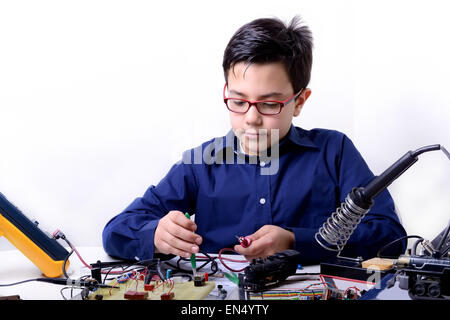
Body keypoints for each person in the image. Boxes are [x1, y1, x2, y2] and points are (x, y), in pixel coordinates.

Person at [102, 16, 407, 264]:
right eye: (238, 101)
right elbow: (115, 230)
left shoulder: (334, 152)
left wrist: (295, 241)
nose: (251, 118)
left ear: (299, 101)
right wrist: (155, 234)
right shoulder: (199, 164)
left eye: (269, 104)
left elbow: (390, 235)